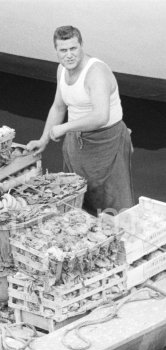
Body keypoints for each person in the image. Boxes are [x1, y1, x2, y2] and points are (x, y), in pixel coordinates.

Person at [26, 25, 134, 215]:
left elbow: (101, 116)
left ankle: (119, 235)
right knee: (76, 193)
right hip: (77, 142)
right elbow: (58, 106)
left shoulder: (96, 73)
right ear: (56, 51)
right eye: (63, 50)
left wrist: (65, 127)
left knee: (112, 201)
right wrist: (44, 139)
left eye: (73, 48)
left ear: (82, 46)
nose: (69, 55)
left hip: (106, 141)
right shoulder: (62, 69)